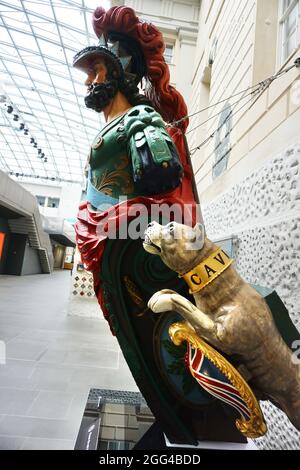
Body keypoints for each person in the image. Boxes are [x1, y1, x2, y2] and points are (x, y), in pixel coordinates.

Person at [73, 6, 244, 445]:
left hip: (126, 247)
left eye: (99, 68)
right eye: (89, 72)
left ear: (123, 67)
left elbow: (162, 185)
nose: (90, 79)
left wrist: (120, 220)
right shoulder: (115, 122)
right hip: (107, 247)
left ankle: (198, 409)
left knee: (158, 330)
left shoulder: (141, 119)